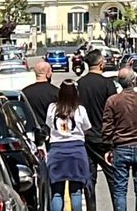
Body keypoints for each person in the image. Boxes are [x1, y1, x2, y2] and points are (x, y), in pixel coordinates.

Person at [102, 68, 137, 211]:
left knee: (120, 189)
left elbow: (107, 126)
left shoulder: (113, 101)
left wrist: (108, 147)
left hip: (120, 147)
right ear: (133, 81)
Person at [78, 50, 118, 204]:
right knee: (113, 178)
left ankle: (91, 207)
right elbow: (114, 111)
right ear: (101, 64)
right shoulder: (107, 84)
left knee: (89, 179)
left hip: (86, 137)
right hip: (105, 138)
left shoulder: (80, 84)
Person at [46, 80, 93, 211]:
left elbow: (49, 125)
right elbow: (86, 127)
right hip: (77, 151)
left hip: (57, 151)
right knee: (76, 191)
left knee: (56, 191)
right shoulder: (80, 110)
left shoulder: (52, 108)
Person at [23, 60, 60, 125]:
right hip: (51, 130)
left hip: (32, 130)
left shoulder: (24, 92)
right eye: (51, 71)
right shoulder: (56, 92)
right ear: (47, 73)